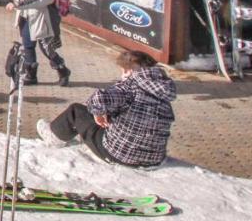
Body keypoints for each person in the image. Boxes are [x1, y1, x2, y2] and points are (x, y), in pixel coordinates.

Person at [37, 50, 176, 168]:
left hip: (120, 155)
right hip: (155, 159)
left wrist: (98, 113)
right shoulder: (162, 90)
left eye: (123, 70)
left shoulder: (130, 86)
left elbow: (99, 98)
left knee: (76, 111)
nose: (122, 74)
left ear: (129, 70)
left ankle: (53, 136)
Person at [6, 0, 70, 86]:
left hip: (42, 23)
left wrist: (17, 4)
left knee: (47, 49)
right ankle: (31, 76)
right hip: (26, 19)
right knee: (28, 47)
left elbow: (35, 1)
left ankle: (63, 71)